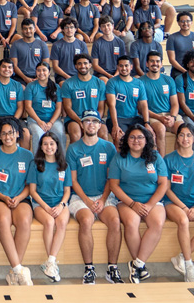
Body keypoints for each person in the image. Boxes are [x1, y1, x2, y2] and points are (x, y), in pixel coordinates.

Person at [65, 112, 124, 284]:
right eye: (87, 121)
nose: (91, 124)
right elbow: (73, 181)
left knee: (114, 221)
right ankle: (89, 268)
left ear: (100, 126)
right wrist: (89, 202)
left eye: (95, 121)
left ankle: (112, 268)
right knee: (86, 221)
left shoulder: (109, 147)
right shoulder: (73, 148)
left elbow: (111, 179)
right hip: (80, 197)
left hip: (104, 196)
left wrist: (103, 200)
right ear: (82, 125)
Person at [107, 124, 167, 284]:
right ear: (126, 140)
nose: (136, 140)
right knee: (132, 223)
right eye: (132, 137)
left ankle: (137, 264)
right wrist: (133, 204)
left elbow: (163, 184)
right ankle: (139, 268)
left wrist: (149, 205)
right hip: (126, 200)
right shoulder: (119, 157)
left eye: (140, 137)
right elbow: (114, 185)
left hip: (152, 200)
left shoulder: (155, 156)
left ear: (146, 140)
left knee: (157, 223)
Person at [0, 118, 35, 286]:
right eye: (4, 133)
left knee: (24, 221)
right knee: (3, 220)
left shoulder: (27, 156)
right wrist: (4, 197)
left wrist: (19, 198)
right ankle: (18, 268)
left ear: (17, 134)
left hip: (21, 197)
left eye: (11, 133)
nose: (7, 137)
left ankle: (15, 272)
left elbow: (30, 186)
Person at [162, 124, 194, 282]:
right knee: (183, 221)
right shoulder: (168, 159)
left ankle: (181, 256)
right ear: (177, 138)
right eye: (182, 135)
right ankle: (189, 265)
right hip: (173, 202)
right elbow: (166, 188)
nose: (185, 139)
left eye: (189, 135)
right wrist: (184, 207)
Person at [28, 133, 72, 283]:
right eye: (45, 144)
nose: (49, 147)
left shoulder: (64, 165)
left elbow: (67, 191)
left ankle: (50, 262)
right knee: (49, 222)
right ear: (40, 146)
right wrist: (46, 207)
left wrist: (61, 205)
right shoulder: (35, 164)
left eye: (52, 143)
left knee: (61, 223)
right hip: (40, 203)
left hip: (60, 203)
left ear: (57, 145)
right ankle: (51, 264)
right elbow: (32, 191)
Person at [139, 51, 181, 155]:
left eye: (157, 61)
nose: (155, 64)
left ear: (161, 64)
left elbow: (175, 104)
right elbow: (141, 108)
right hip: (152, 116)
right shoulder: (140, 82)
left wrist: (173, 117)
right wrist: (159, 118)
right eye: (152, 61)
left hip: (169, 115)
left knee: (183, 130)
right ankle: (161, 165)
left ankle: (176, 163)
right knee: (161, 130)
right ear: (147, 64)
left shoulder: (169, 80)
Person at [61, 55, 108, 142]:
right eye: (79, 64)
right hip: (75, 119)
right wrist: (81, 122)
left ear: (90, 65)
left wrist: (95, 121)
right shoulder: (68, 84)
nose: (82, 66)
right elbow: (68, 108)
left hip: (95, 117)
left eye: (85, 63)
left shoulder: (99, 83)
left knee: (103, 135)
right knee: (76, 135)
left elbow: (101, 108)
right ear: (75, 66)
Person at [105, 56, 151, 145]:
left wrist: (147, 123)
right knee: (119, 138)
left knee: (150, 136)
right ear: (117, 67)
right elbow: (111, 105)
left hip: (134, 118)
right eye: (121, 66)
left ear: (131, 67)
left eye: (126, 66)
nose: (124, 68)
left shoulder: (138, 83)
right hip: (118, 118)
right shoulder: (112, 82)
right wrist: (115, 125)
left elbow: (144, 105)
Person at [50, 18, 90, 84]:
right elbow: (55, 67)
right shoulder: (56, 45)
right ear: (62, 29)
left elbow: (86, 64)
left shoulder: (82, 44)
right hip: (62, 76)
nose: (69, 30)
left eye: (71, 27)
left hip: (79, 75)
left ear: (75, 29)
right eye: (66, 27)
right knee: (64, 86)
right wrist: (68, 77)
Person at [165, 12, 194, 78]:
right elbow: (172, 60)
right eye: (182, 21)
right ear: (178, 23)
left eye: (188, 21)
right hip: (179, 70)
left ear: (191, 22)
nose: (185, 23)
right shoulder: (172, 38)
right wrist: (186, 72)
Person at [10, 19, 49, 85]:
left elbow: (45, 64)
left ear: (35, 29)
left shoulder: (42, 44)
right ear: (22, 30)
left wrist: (38, 78)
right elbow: (14, 66)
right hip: (20, 77)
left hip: (39, 76)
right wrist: (25, 78)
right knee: (22, 90)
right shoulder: (16, 44)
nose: (28, 31)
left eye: (30, 28)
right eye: (25, 29)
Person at [91, 17, 128, 81]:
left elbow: (123, 62)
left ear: (113, 26)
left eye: (108, 25)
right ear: (100, 28)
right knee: (105, 81)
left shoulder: (120, 42)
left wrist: (115, 75)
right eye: (103, 26)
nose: (106, 28)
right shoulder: (97, 44)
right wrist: (109, 75)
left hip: (118, 72)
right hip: (102, 74)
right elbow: (95, 65)